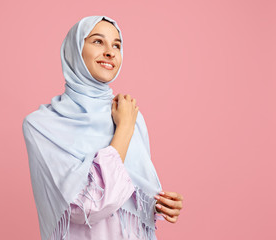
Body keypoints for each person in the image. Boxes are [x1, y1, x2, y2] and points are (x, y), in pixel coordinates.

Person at [22, 16, 183, 240]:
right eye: (98, 41)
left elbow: (128, 197)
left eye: (116, 45)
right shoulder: (41, 125)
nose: (110, 52)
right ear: (75, 50)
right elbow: (85, 208)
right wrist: (124, 128)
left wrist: (157, 206)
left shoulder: (129, 113)